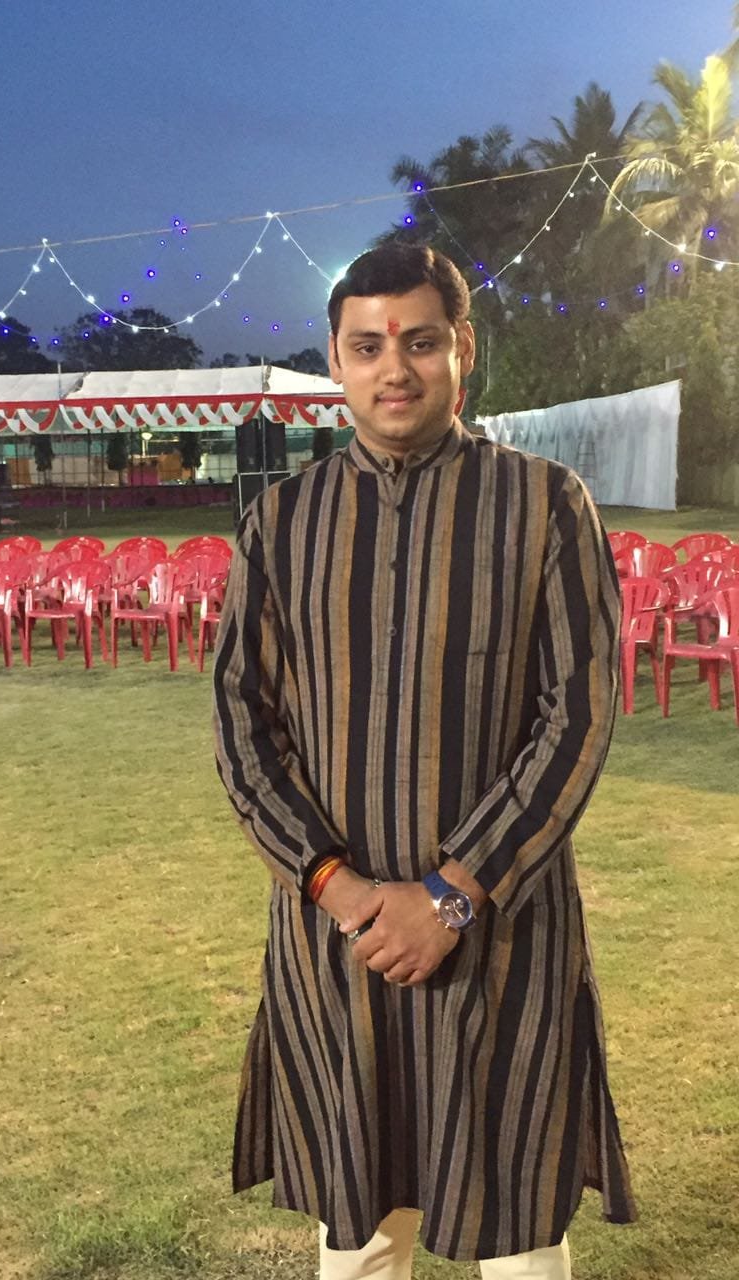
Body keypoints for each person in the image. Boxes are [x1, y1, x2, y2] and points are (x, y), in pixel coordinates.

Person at [212, 239, 635, 1280]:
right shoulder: (283, 522)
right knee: (358, 1231)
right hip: (340, 943)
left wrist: (451, 894)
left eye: (419, 342)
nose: (393, 368)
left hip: (501, 937)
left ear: (462, 351)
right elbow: (243, 724)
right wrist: (344, 890)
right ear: (336, 360)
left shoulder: (544, 504)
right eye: (367, 346)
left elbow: (578, 715)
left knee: (519, 1227)